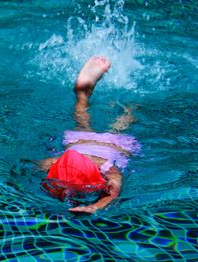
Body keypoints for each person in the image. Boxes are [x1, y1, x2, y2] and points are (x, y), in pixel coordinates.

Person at [38, 56, 140, 214]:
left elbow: (112, 194)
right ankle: (83, 94)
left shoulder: (111, 172)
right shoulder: (109, 171)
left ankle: (130, 105)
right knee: (82, 119)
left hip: (114, 144)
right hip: (79, 142)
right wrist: (94, 206)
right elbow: (112, 194)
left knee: (119, 127)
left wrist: (93, 206)